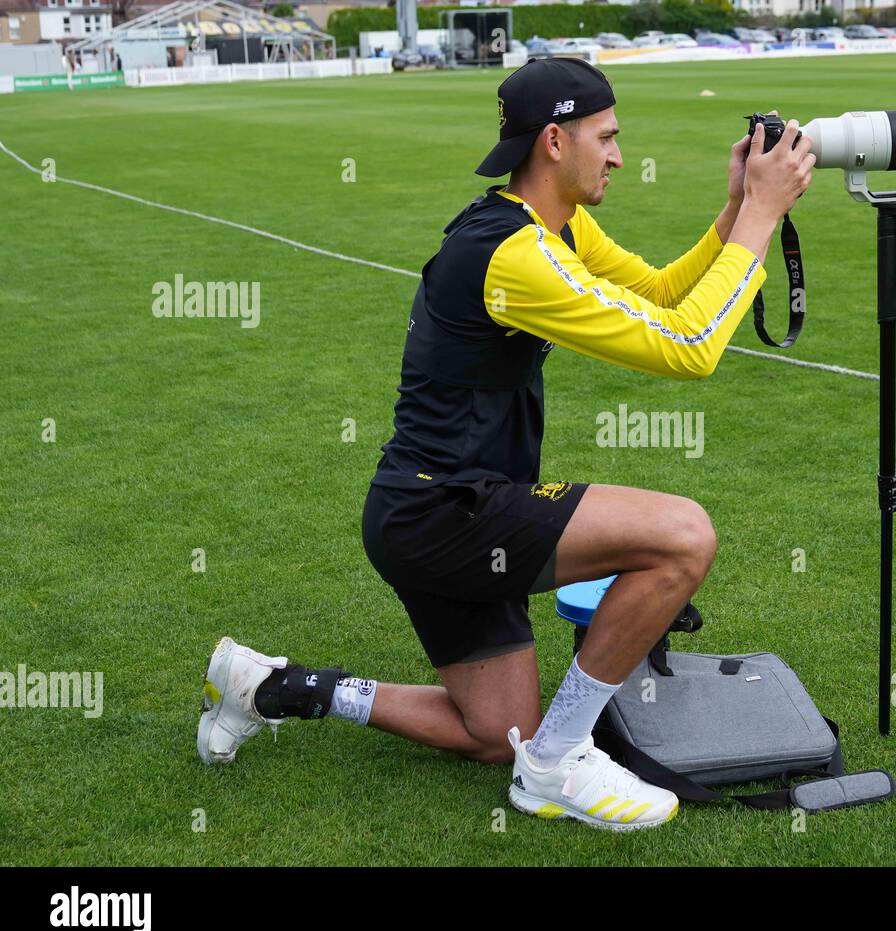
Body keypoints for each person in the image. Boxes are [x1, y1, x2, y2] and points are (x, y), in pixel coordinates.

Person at [197, 57, 812, 831]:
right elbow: (687, 345)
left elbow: (660, 295)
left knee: (497, 733)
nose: (619, 156)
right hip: (447, 513)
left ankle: (280, 688)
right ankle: (557, 763)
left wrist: (734, 209)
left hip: (423, 512)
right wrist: (762, 213)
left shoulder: (546, 224)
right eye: (608, 138)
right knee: (682, 535)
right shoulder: (516, 256)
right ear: (555, 141)